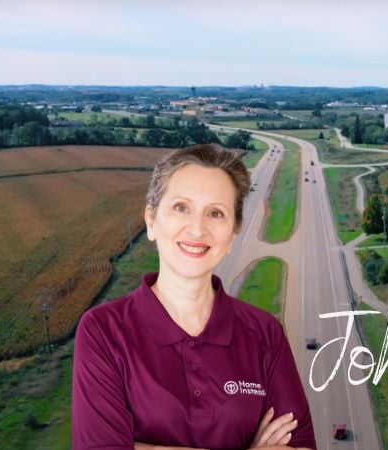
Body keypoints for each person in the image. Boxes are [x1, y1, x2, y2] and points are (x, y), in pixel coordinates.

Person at [72, 143, 316, 450]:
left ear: (233, 232)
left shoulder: (264, 333)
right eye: (181, 207)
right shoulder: (103, 331)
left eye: (216, 213)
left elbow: (302, 445)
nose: (197, 229)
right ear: (151, 221)